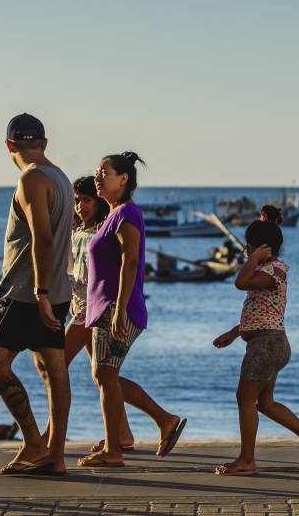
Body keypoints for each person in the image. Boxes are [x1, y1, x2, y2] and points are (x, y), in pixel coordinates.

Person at [62, 175, 184, 457]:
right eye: (77, 200)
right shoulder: (78, 231)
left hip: (93, 310)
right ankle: (132, 430)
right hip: (85, 309)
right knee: (105, 377)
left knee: (58, 366)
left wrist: (118, 308)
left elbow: (126, 264)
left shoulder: (104, 231)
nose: (81, 206)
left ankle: (50, 436)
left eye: (87, 200)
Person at [0, 113, 73, 476]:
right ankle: (55, 455)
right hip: (55, 290)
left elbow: (43, 236)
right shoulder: (60, 177)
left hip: (28, 293)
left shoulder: (32, 178)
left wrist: (41, 291)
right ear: (45, 143)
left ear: (9, 147)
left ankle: (35, 442)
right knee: (53, 367)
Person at [211, 220, 299, 476]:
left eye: (248, 248)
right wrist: (235, 332)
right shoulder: (269, 270)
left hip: (266, 345)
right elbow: (261, 311)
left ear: (260, 248)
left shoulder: (273, 270)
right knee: (264, 402)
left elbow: (241, 283)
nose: (246, 253)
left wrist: (254, 258)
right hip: (270, 343)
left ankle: (247, 460)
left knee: (245, 399)